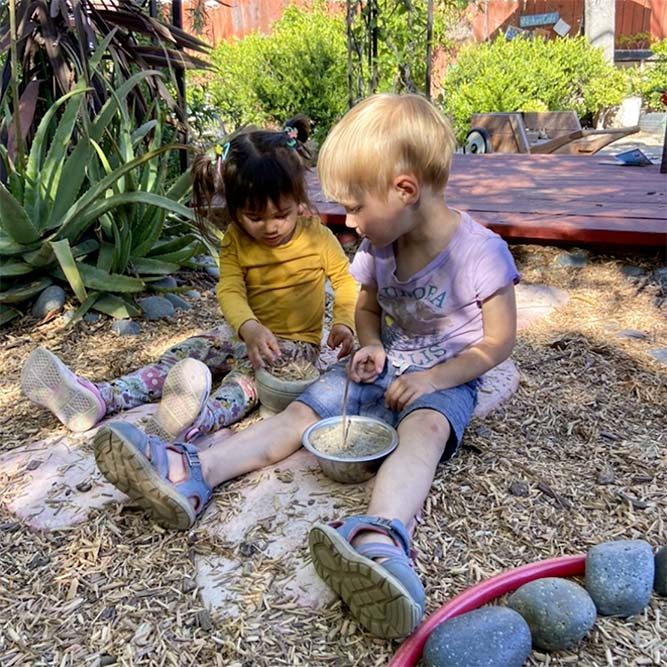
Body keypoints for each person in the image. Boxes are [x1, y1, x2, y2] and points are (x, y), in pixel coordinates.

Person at [93, 94, 519, 640]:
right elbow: (365, 306)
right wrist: (369, 342)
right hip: (383, 364)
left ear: (405, 190)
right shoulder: (379, 246)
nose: (350, 220)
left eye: (357, 207)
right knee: (300, 412)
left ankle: (381, 540)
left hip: (448, 372)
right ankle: (195, 472)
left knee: (426, 431)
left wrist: (433, 380)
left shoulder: (480, 253)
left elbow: (500, 342)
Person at [21, 116, 357, 442]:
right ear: (234, 209)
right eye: (254, 217)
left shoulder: (317, 237)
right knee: (184, 354)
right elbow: (230, 289)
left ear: (299, 202)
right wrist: (248, 327)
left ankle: (194, 419)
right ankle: (102, 398)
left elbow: (344, 281)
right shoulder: (236, 240)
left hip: (292, 347)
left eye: (281, 215)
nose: (270, 227)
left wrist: (343, 322)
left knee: (243, 385)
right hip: (242, 333)